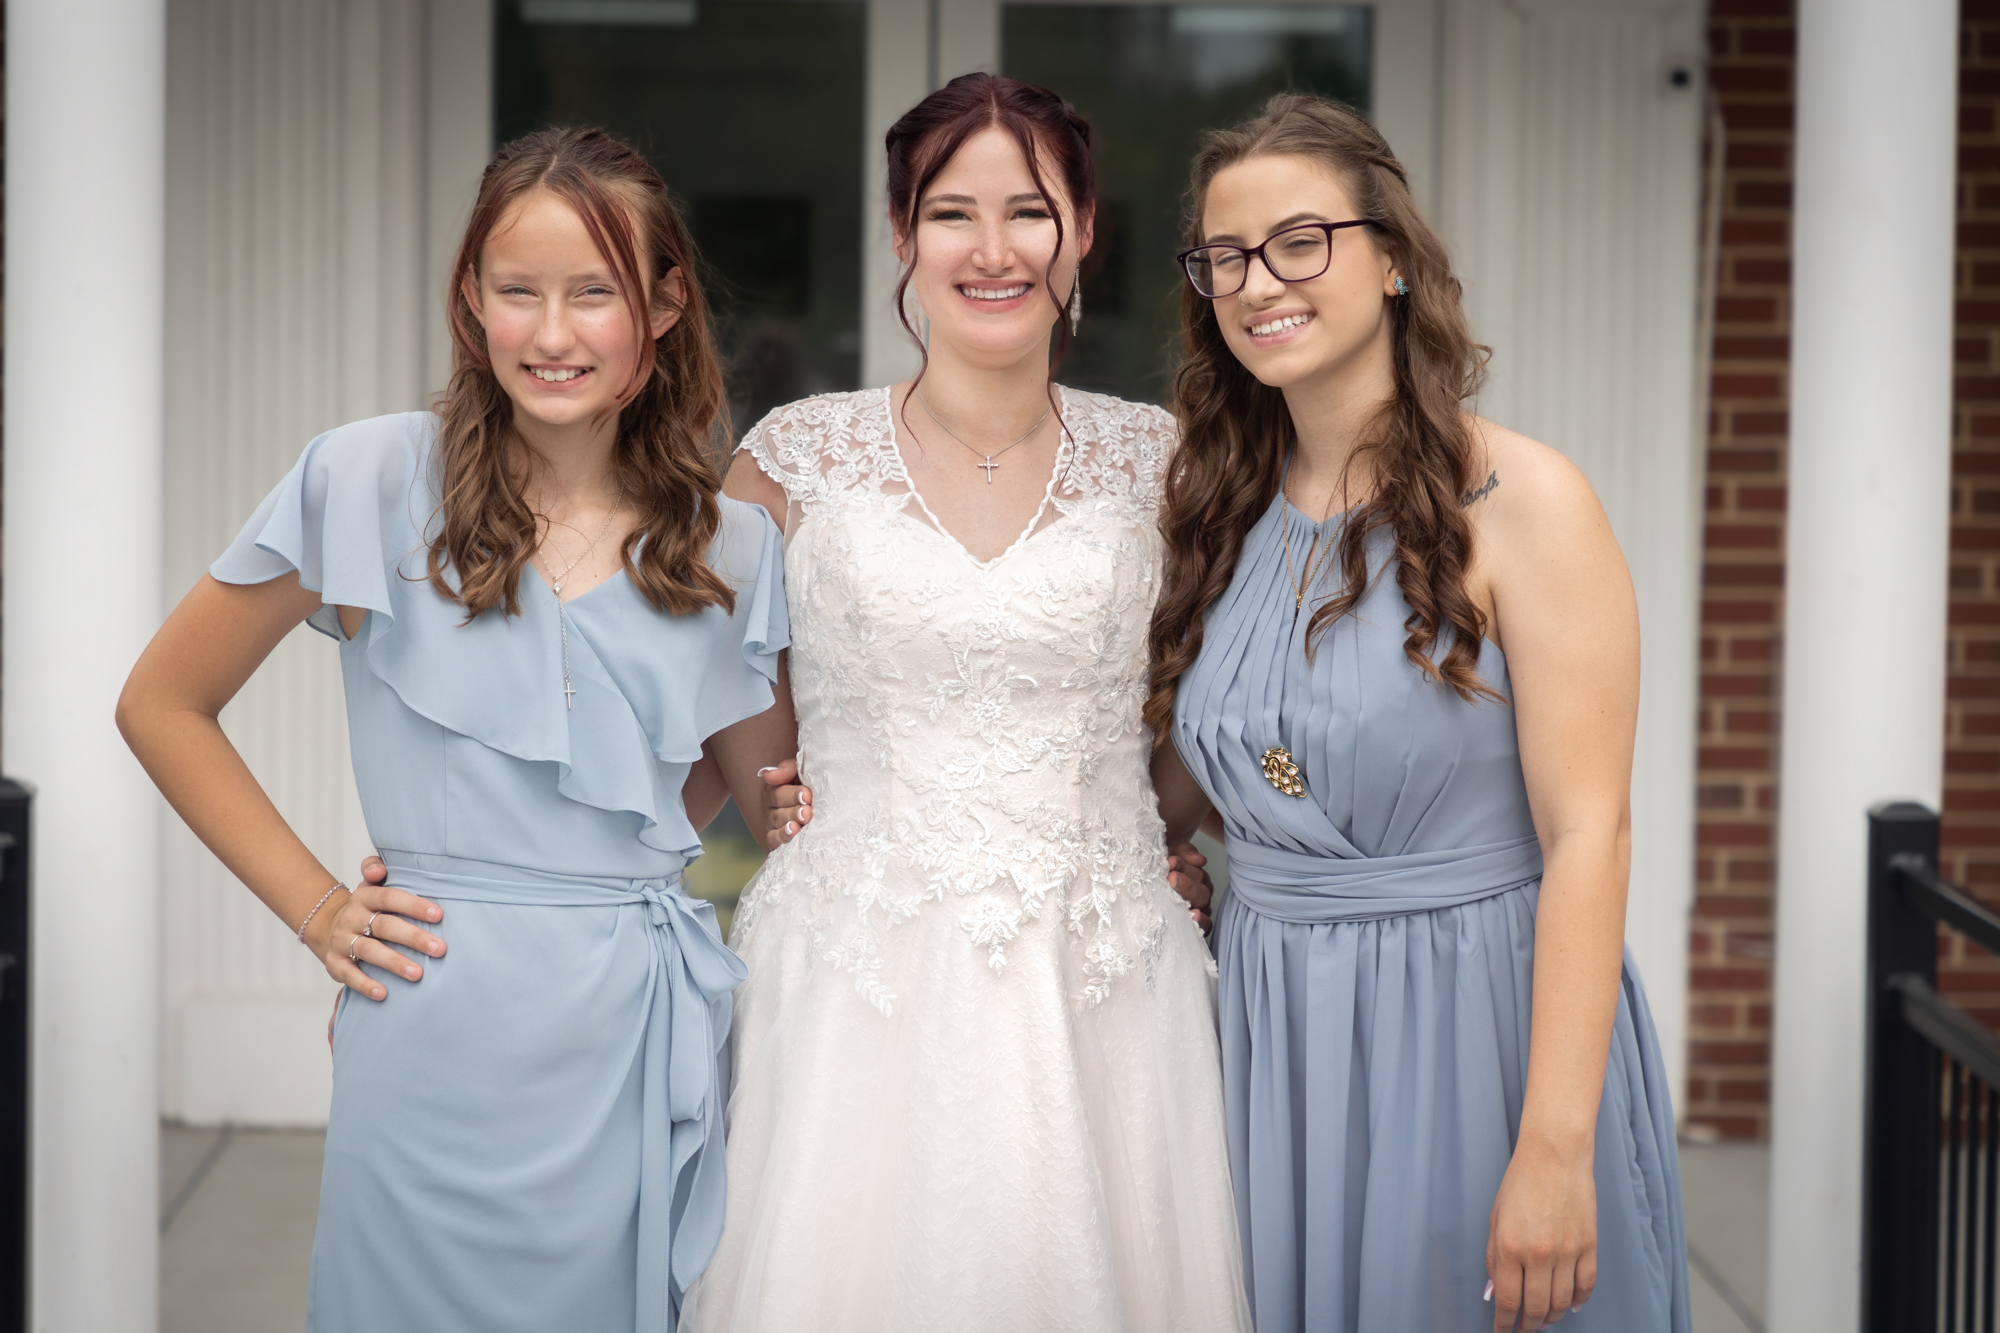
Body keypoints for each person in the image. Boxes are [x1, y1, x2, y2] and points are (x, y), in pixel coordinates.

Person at [117, 127, 794, 1333]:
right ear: (469, 301)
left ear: (664, 305)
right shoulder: (367, 478)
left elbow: (741, 794)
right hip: (432, 1019)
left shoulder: (730, 546)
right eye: (517, 289)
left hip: (625, 1036)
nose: (551, 331)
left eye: (594, 293)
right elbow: (162, 703)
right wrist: (319, 908)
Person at [677, 74, 1250, 1333]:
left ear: (1083, 229)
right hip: (851, 986)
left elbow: (1221, 697)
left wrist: (1156, 837)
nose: (991, 250)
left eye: (1027, 212)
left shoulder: (1165, 462)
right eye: (950, 213)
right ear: (901, 233)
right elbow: (706, 706)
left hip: (1103, 977)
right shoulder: (790, 461)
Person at [1147, 95, 1689, 1333]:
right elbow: (1201, 780)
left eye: (1298, 241)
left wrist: (1551, 1147)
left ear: (1390, 256)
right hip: (1273, 1040)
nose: (1256, 283)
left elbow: (1588, 835)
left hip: (1475, 1029)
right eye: (1224, 257)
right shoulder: (1213, 512)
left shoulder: (1524, 499)